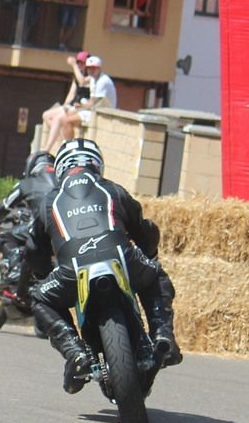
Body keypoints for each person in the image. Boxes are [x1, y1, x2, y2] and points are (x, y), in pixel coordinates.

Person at [28, 138, 180, 395]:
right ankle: (162, 335)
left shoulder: (49, 201)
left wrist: (43, 273)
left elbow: (33, 248)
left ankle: (75, 353)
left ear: (62, 168)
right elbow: (145, 230)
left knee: (40, 299)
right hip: (121, 257)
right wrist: (149, 254)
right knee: (156, 275)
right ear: (97, 164)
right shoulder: (113, 189)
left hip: (71, 270)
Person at [0, 151, 57, 304]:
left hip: (40, 229)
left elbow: (5, 206)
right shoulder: (64, 181)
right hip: (65, 232)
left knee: (5, 237)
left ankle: (16, 262)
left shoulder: (27, 184)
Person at [41, 52, 92, 152]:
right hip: (72, 105)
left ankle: (48, 148)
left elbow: (82, 81)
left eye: (82, 63)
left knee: (58, 118)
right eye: (78, 63)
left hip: (82, 106)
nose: (79, 65)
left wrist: (73, 65)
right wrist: (64, 105)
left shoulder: (91, 76)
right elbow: (71, 93)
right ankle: (60, 137)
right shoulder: (77, 75)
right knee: (46, 115)